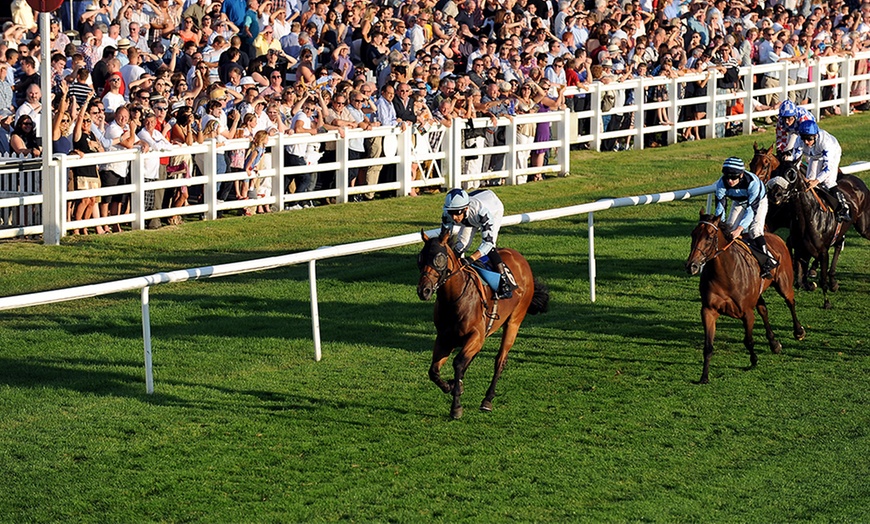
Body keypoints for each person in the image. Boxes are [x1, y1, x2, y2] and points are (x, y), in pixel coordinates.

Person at [440, 188, 517, 299]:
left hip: (494, 209)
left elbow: (487, 244)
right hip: (474, 209)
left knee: (490, 248)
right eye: (451, 212)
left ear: (465, 208)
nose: (454, 218)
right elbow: (444, 239)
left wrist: (471, 258)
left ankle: (504, 283)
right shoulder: (448, 214)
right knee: (460, 246)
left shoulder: (482, 213)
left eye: (457, 213)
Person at [714, 157, 778, 278]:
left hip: (757, 202)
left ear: (741, 175)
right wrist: (721, 225)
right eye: (727, 177)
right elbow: (720, 208)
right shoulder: (721, 184)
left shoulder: (752, 182)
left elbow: (751, 210)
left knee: (755, 230)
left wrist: (740, 229)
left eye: (733, 177)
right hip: (738, 202)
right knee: (728, 230)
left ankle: (767, 262)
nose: (730, 181)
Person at [793, 120, 851, 222]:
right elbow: (795, 162)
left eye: (809, 139)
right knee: (809, 181)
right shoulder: (799, 140)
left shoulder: (826, 142)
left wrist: (816, 181)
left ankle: (843, 207)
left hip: (833, 153)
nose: (806, 142)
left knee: (827, 182)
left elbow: (827, 168)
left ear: (815, 136)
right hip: (814, 155)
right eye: (804, 138)